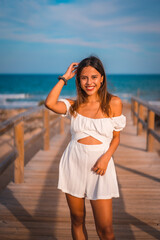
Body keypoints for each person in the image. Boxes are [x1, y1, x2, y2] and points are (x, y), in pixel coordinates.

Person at [45, 56, 126, 240]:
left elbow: (116, 138)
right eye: (84, 77)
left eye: (94, 77)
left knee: (105, 229)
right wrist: (64, 77)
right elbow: (49, 103)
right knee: (77, 220)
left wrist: (106, 158)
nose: (89, 82)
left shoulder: (114, 103)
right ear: (78, 80)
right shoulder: (74, 105)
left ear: (102, 78)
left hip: (100, 168)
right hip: (73, 164)